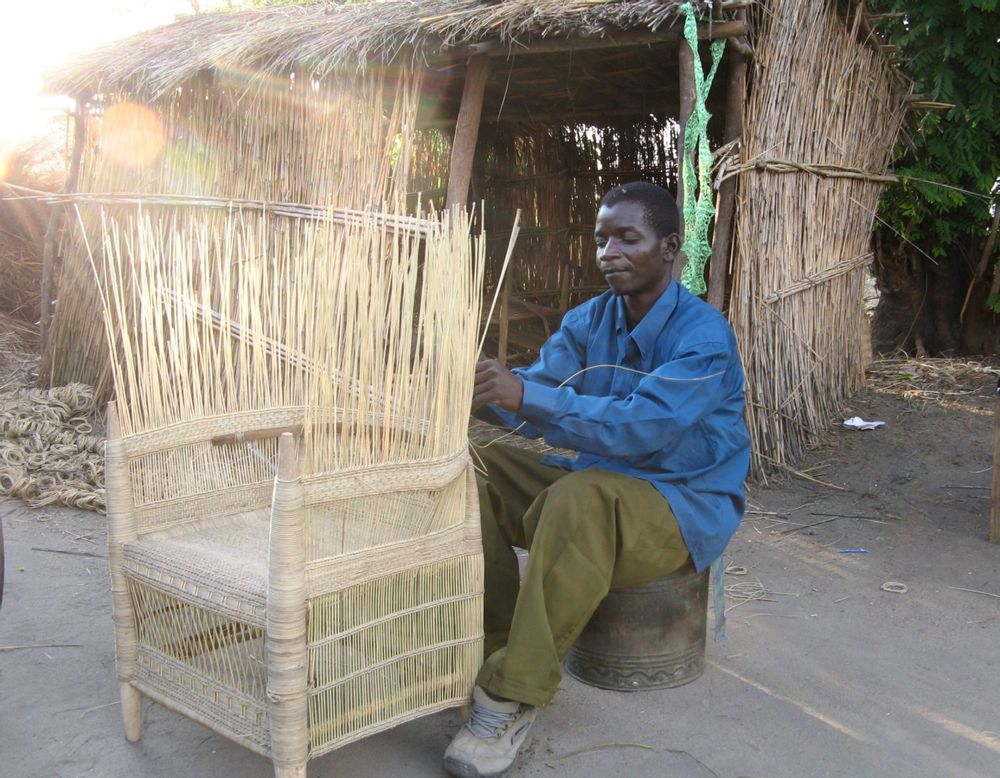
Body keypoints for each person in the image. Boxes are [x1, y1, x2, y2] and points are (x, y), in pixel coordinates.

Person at [443, 181, 751, 778]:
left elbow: (643, 428)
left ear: (669, 249)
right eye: (601, 238)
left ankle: (510, 698)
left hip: (680, 502)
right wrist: (474, 391)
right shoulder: (591, 319)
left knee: (579, 498)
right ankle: (501, 649)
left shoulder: (704, 338)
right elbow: (540, 390)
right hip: (597, 480)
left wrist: (526, 394)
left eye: (627, 238)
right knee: (473, 464)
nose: (609, 251)